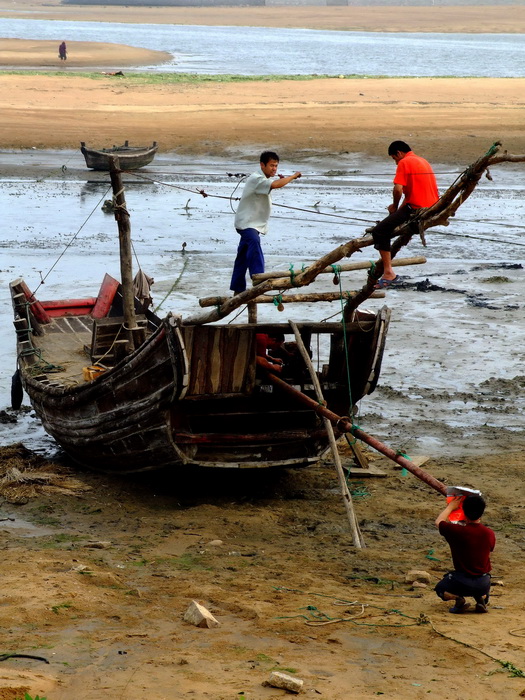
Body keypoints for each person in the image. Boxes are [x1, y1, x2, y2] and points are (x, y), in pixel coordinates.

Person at [230, 151, 301, 295]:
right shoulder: (256, 178)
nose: (274, 169)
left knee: (243, 254)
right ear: (262, 165)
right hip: (247, 223)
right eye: (271, 166)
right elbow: (275, 185)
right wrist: (292, 176)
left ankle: (238, 289)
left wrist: (284, 179)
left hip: (252, 223)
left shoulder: (262, 178)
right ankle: (259, 280)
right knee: (254, 242)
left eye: (276, 166)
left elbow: (274, 183)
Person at [371, 141, 439, 289]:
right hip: (432, 205)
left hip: (417, 207)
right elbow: (412, 193)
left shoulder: (404, 162)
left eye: (394, 159)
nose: (396, 163)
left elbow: (398, 190)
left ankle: (388, 272)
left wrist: (394, 206)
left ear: (399, 153)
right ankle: (387, 265)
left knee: (380, 231)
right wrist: (396, 212)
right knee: (389, 223)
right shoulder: (422, 161)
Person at [434, 494, 496, 614]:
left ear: (463, 511)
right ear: (482, 512)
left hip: (460, 581)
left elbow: (438, 522)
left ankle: (458, 599)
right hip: (483, 582)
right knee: (483, 586)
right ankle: (480, 598)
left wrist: (451, 507)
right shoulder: (489, 533)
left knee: (440, 589)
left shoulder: (456, 531)